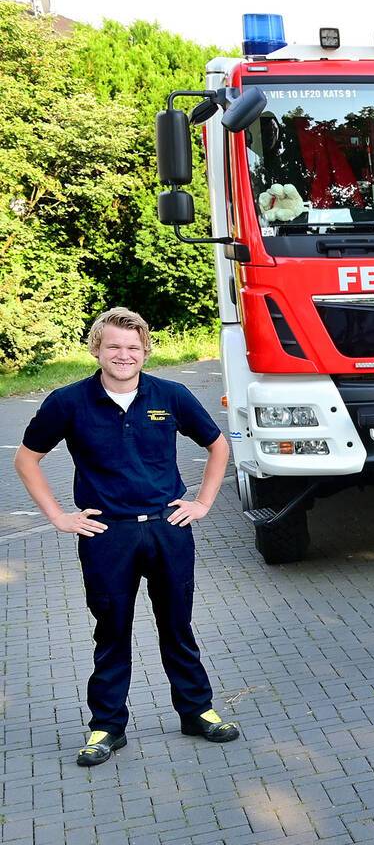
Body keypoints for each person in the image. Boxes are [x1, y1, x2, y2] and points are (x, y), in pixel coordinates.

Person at [14, 308, 242, 767]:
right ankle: (107, 727)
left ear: (145, 351)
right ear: (96, 349)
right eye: (114, 346)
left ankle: (197, 711)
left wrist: (202, 503)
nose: (124, 355)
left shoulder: (171, 395)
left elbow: (218, 445)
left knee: (177, 626)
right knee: (112, 630)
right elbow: (25, 459)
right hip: (107, 536)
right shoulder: (68, 402)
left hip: (167, 529)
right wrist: (59, 516)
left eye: (133, 347)